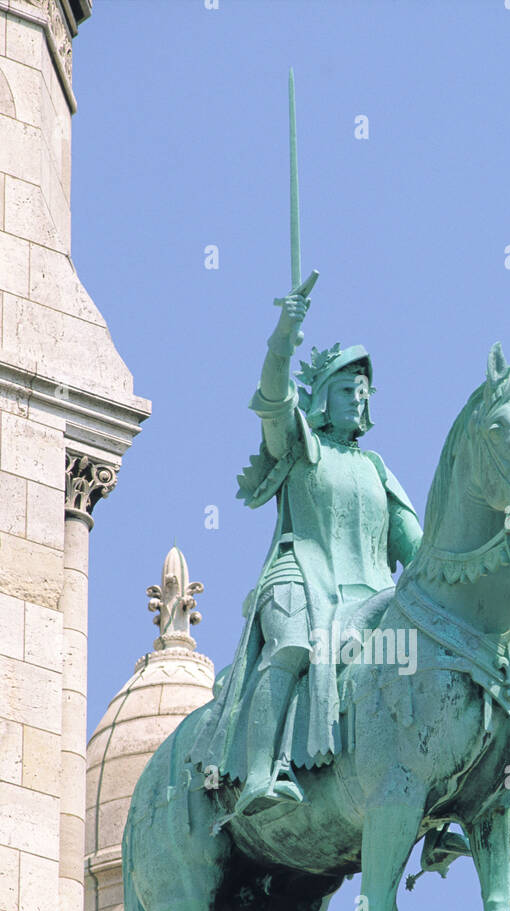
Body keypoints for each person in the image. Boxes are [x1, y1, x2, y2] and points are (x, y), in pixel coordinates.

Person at [186, 281, 422, 815]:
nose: (358, 399)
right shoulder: (299, 445)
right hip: (300, 575)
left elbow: (420, 550)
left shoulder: (378, 470)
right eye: (346, 389)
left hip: (370, 596)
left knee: (424, 662)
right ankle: (258, 777)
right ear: (320, 398)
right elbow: (273, 398)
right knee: (293, 645)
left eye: (365, 392)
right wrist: (283, 338)